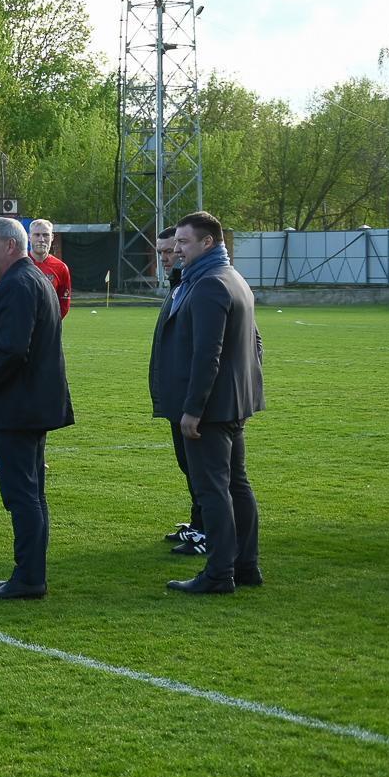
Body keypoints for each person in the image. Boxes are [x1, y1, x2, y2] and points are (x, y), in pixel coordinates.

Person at [0, 217, 73, 599]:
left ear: (11, 245)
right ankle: (28, 572)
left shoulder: (19, 284)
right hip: (29, 404)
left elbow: (11, 350)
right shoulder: (30, 280)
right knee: (31, 493)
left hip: (19, 406)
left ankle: (28, 578)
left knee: (22, 494)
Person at [155, 211, 264, 594]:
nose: (177, 250)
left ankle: (219, 574)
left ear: (208, 242)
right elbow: (255, 344)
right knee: (236, 485)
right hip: (233, 402)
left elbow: (208, 355)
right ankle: (245, 566)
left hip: (212, 409)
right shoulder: (231, 277)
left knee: (213, 490)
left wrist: (193, 409)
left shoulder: (209, 284)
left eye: (184, 242)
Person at [148, 226, 206, 551]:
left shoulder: (200, 287)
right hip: (176, 396)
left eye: (170, 250)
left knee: (202, 469)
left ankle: (207, 531)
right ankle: (199, 524)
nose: (166, 258)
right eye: (161, 253)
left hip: (191, 399)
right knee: (189, 465)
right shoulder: (179, 286)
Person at [28, 219, 73, 318]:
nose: (41, 239)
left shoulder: (61, 268)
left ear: (52, 237)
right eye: (37, 235)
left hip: (48, 325)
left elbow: (64, 304)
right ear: (29, 237)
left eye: (45, 235)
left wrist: (50, 323)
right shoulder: (17, 264)